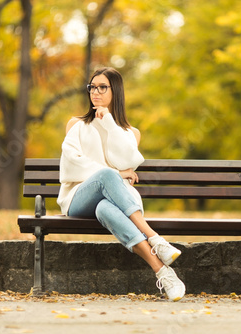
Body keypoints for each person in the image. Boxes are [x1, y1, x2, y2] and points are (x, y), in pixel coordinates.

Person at [57, 67, 185, 301]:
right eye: (92, 87)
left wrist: (109, 125)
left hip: (111, 203)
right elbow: (71, 165)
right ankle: (155, 237)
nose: (95, 92)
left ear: (116, 91)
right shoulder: (76, 124)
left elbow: (130, 160)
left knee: (104, 208)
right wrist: (116, 173)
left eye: (102, 87)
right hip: (78, 198)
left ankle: (164, 273)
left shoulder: (130, 132)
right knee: (106, 175)